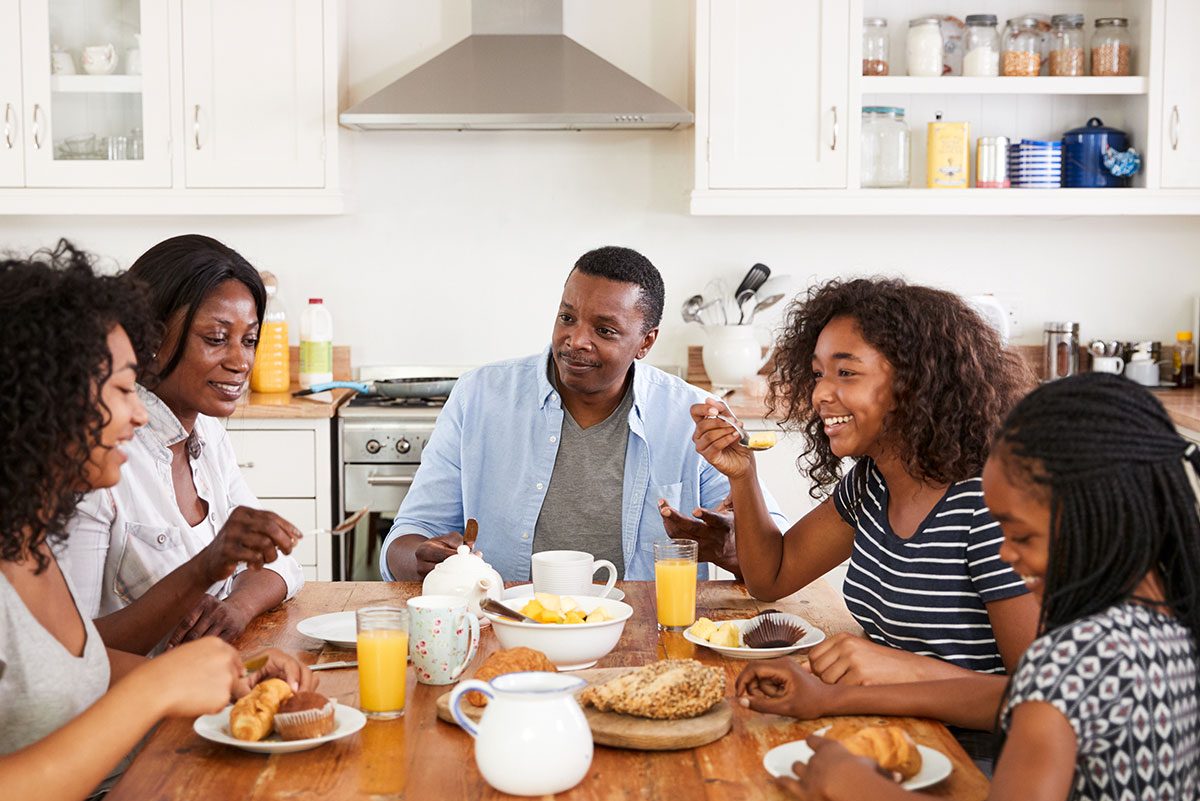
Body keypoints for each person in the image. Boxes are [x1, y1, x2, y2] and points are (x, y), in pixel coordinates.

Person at [738, 374, 1200, 801]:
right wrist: (831, 699)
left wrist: (857, 787)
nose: (1004, 554)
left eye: (1021, 535)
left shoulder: (1073, 654)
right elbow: (1023, 696)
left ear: (1101, 517)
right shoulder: (1166, 629)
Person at [0, 242, 314, 801]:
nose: (143, 413)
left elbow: (77, 669)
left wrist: (230, 678)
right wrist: (157, 690)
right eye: (122, 389)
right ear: (46, 399)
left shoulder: (27, 544)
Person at [691, 278, 1039, 688]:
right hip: (887, 724)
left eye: (846, 372)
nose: (820, 392)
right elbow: (772, 578)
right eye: (818, 373)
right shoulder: (871, 485)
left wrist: (897, 671)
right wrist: (743, 474)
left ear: (915, 382)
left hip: (973, 752)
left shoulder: (988, 505)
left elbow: (1040, 696)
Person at [380, 246, 786, 582]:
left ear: (645, 343)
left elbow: (772, 558)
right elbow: (403, 541)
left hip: (645, 633)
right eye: (567, 317)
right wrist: (421, 557)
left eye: (605, 330)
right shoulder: (479, 396)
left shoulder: (690, 415)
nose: (575, 340)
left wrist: (729, 547)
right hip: (502, 626)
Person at [60, 234, 305, 655]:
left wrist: (235, 608)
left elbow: (282, 565)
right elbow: (71, 656)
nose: (241, 361)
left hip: (203, 684)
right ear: (150, 338)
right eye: (216, 338)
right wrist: (204, 571)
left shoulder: (208, 434)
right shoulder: (96, 459)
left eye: (248, 340)